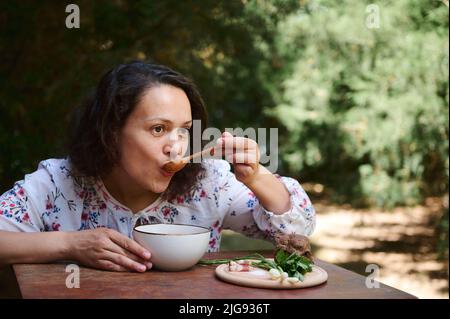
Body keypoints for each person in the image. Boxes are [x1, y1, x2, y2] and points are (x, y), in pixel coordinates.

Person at [0, 61, 315, 273]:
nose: (176, 145)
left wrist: (256, 175)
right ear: (110, 132)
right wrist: (70, 244)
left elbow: (297, 233)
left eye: (183, 130)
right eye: (158, 129)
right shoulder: (58, 183)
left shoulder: (211, 182)